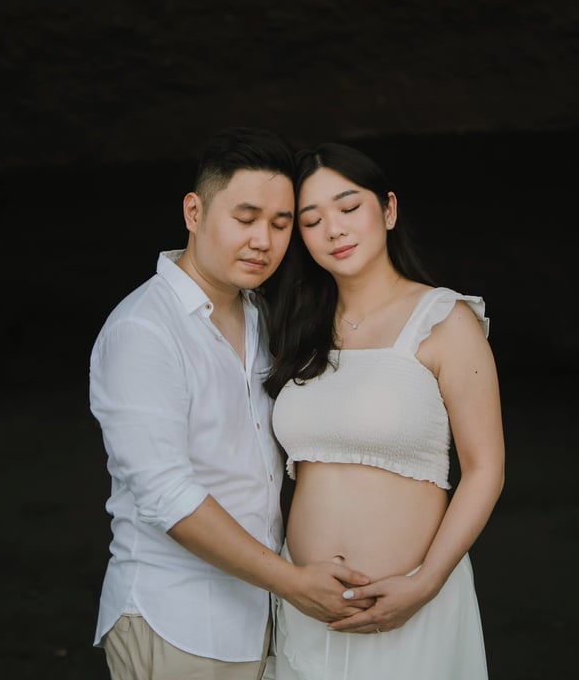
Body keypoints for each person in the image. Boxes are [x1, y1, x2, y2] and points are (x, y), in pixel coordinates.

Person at [88, 128, 374, 680]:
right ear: (194, 212)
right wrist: (294, 583)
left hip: (261, 620)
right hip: (176, 618)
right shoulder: (143, 331)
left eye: (281, 223)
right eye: (245, 219)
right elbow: (168, 496)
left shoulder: (262, 319)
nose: (263, 241)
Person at [263, 141, 505, 679]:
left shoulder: (445, 320)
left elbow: (485, 469)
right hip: (307, 610)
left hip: (411, 608)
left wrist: (425, 584)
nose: (335, 229)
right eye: (312, 219)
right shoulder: (296, 330)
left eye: (349, 208)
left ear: (389, 210)